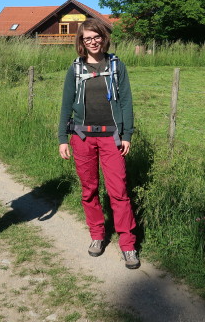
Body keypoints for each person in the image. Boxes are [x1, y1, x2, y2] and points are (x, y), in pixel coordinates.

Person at [58, 19, 140, 269]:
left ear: (104, 38)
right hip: (82, 137)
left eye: (96, 37)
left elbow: (126, 102)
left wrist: (127, 135)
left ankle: (128, 245)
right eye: (87, 38)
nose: (92, 42)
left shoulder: (117, 66)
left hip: (112, 137)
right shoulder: (75, 69)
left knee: (119, 192)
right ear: (81, 42)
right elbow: (66, 104)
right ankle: (97, 235)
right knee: (89, 189)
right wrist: (63, 138)